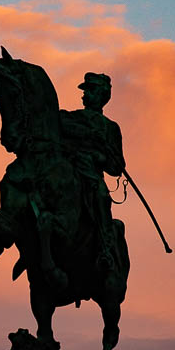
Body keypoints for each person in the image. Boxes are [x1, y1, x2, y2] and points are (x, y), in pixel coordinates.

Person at [60, 72, 125, 271]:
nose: (84, 95)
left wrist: (100, 157)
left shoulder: (110, 128)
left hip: (90, 177)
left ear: (101, 95)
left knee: (102, 197)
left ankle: (105, 249)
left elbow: (117, 167)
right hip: (66, 172)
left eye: (89, 90)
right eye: (85, 90)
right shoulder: (70, 118)